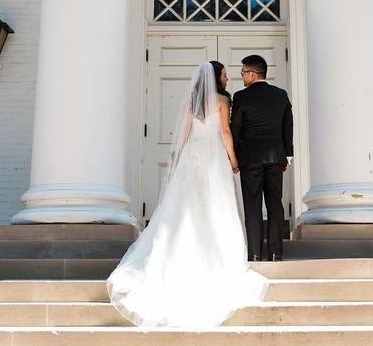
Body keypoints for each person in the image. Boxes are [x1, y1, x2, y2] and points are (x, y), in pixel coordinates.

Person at [106, 61, 267, 328]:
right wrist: (233, 159)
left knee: (185, 206)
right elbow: (226, 132)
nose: (228, 79)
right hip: (213, 157)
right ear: (216, 78)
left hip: (193, 156)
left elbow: (184, 134)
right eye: (225, 75)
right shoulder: (221, 100)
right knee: (215, 204)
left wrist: (178, 158)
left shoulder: (192, 101)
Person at [231, 54, 293, 262]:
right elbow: (288, 127)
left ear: (252, 73)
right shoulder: (281, 95)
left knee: (253, 204)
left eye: (242, 73)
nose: (241, 77)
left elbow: (235, 130)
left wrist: (236, 157)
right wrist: (288, 156)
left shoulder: (241, 97)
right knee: (275, 203)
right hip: (276, 158)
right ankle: (276, 253)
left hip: (250, 160)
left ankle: (255, 253)